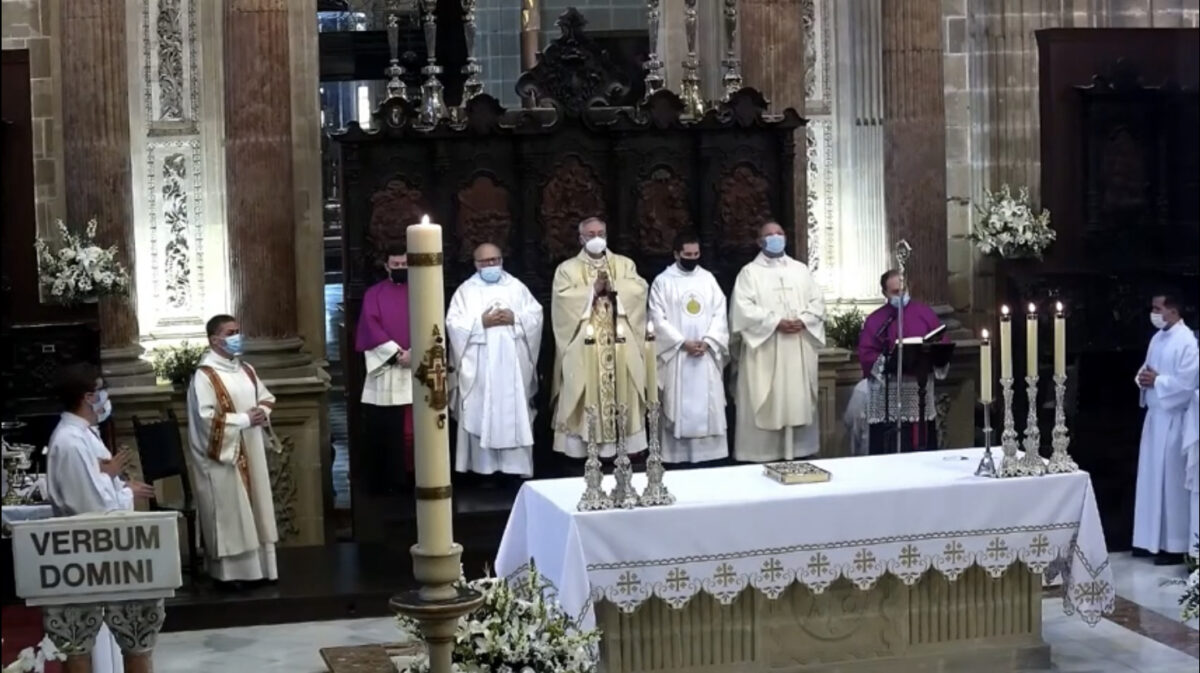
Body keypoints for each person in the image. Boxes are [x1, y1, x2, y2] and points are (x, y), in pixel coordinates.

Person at [46, 363, 154, 673]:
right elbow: (90, 509)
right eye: (102, 390)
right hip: (89, 556)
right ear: (89, 396)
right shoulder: (69, 442)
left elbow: (96, 485)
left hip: (102, 559)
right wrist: (124, 492)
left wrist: (114, 479)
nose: (107, 397)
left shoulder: (82, 435)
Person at [187, 314, 279, 585]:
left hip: (250, 447)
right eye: (231, 332)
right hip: (223, 457)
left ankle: (261, 569)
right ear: (215, 339)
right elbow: (206, 420)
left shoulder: (245, 369)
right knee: (231, 513)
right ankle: (231, 574)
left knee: (256, 509)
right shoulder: (205, 376)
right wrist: (244, 420)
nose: (237, 336)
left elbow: (266, 398)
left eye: (238, 330)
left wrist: (261, 413)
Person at [551, 217, 649, 458]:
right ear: (581, 238)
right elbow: (562, 301)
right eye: (590, 233)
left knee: (625, 386)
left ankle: (627, 447)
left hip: (620, 343)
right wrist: (591, 291)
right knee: (582, 384)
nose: (596, 238)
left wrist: (613, 286)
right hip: (585, 345)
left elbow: (639, 289)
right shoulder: (567, 269)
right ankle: (582, 449)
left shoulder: (624, 264)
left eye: (600, 233)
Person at [729, 221, 826, 461]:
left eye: (779, 233)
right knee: (764, 397)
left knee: (797, 400)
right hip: (766, 349)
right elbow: (742, 310)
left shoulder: (800, 270)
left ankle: (799, 454)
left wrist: (803, 319)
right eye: (769, 235)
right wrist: (775, 322)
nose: (775, 237)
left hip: (797, 347)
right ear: (759, 241)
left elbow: (818, 302)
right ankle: (762, 455)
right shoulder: (749, 273)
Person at [447, 243, 544, 479]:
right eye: (486, 261)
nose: (491, 265)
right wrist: (481, 324)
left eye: (495, 260)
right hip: (480, 365)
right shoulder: (465, 291)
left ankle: (515, 468)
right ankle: (483, 471)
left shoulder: (516, 287)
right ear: (476, 264)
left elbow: (536, 314)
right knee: (481, 411)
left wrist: (515, 318)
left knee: (515, 411)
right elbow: (453, 324)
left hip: (513, 365)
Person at [648, 231, 729, 463]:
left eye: (696, 254)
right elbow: (656, 318)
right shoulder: (663, 282)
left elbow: (719, 314)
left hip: (705, 354)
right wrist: (682, 342)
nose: (692, 258)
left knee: (708, 404)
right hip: (678, 356)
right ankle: (677, 458)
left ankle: (710, 456)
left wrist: (709, 340)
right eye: (687, 254)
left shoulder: (708, 279)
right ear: (676, 254)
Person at [1133, 293, 1199, 565]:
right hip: (1155, 418)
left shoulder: (1187, 342)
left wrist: (1158, 381)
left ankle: (1175, 545)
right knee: (1151, 482)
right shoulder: (1158, 338)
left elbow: (1187, 384)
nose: (1154, 313)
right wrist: (1143, 378)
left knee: (1171, 486)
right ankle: (1151, 541)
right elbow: (1145, 370)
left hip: (1174, 421)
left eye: (1158, 308)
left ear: (1173, 309)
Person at [857, 269, 947, 453]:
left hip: (918, 391)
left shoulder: (925, 313)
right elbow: (866, 353)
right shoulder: (877, 320)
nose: (901, 294)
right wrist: (886, 361)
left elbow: (942, 342)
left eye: (903, 289)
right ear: (884, 293)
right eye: (895, 292)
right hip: (887, 394)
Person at [355, 246, 413, 493]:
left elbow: (433, 322)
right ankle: (389, 483)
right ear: (387, 266)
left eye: (404, 265)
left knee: (416, 429)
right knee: (387, 429)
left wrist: (416, 353)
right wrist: (396, 354)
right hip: (388, 367)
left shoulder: (423, 290)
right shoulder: (374, 294)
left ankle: (415, 479)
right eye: (396, 265)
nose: (400, 269)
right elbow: (370, 325)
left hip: (417, 366)